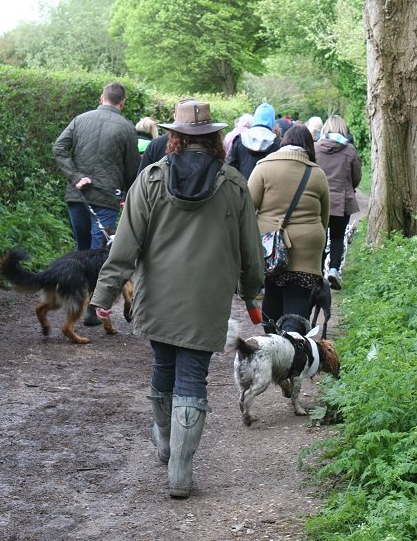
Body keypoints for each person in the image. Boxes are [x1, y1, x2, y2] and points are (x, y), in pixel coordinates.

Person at [90, 99, 264, 499]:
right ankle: (180, 473)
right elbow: (251, 250)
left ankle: (166, 443)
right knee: (192, 377)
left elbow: (125, 244)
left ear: (175, 136)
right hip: (207, 299)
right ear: (215, 139)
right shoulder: (234, 183)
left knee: (163, 364)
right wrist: (252, 292)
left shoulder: (150, 179)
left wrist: (105, 293)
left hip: (158, 295)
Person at [53, 82, 140, 324]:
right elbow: (132, 168)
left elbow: (59, 148)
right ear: (122, 102)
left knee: (83, 252)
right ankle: (94, 307)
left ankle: (80, 302)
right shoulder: (126, 127)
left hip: (77, 195)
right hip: (107, 197)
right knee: (101, 253)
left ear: (102, 97)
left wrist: (75, 176)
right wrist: (126, 196)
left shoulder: (80, 120)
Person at [248, 124, 330, 330]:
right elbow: (324, 217)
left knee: (272, 291)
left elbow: (248, 207)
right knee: (298, 295)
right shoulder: (317, 174)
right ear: (309, 147)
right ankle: (294, 345)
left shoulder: (263, 167)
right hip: (307, 248)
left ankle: (272, 341)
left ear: (283, 142)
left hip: (269, 246)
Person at [314, 115, 362, 290]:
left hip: (318, 200)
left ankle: (317, 271)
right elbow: (356, 177)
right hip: (342, 200)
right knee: (337, 236)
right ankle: (333, 269)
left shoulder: (315, 148)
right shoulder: (350, 150)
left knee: (320, 235)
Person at [226, 102, 281, 180]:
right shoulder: (277, 143)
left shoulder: (240, 139)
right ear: (272, 120)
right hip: (265, 189)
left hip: (242, 188)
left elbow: (229, 167)